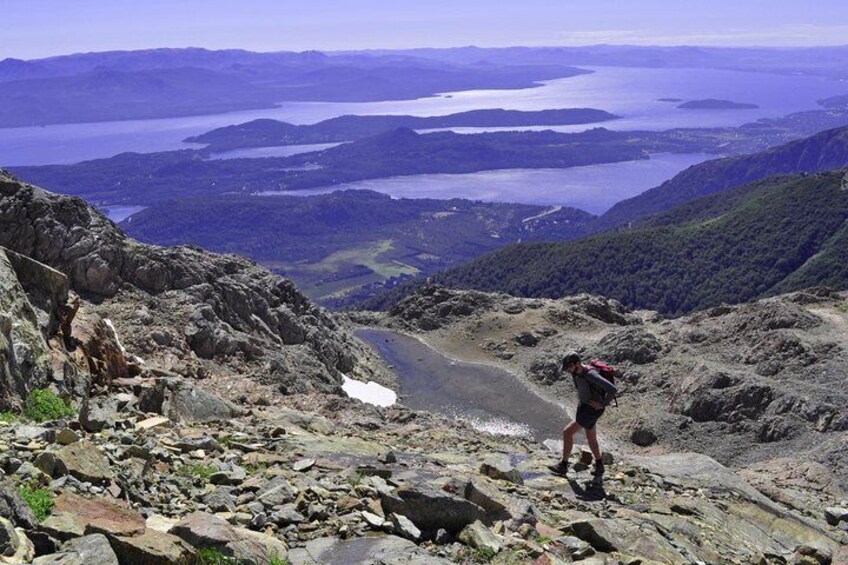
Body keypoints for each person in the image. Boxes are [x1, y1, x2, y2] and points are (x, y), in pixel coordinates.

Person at [548, 351, 617, 477]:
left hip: (591, 410)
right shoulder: (575, 373)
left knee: (567, 432)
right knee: (591, 437)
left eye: (569, 367)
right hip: (585, 408)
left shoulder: (591, 374)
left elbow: (612, 389)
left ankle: (563, 465)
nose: (568, 370)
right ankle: (599, 465)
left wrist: (602, 404)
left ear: (577, 363)